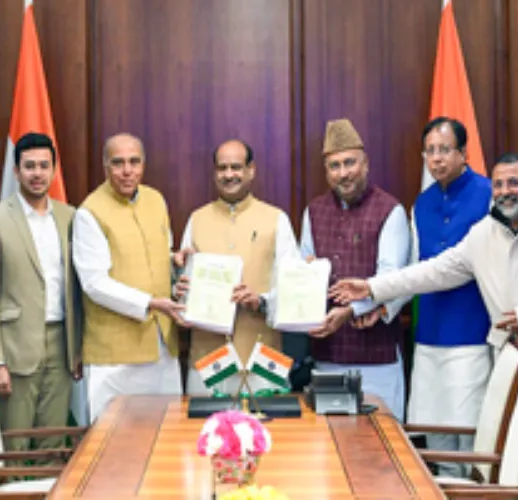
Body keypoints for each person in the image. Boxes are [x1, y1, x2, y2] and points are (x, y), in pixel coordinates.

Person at [330, 152, 518, 367]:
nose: (506, 191)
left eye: (514, 183)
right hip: (512, 362)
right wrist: (371, 288)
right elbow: (434, 271)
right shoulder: (483, 233)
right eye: (498, 184)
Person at [0, 132, 82, 454]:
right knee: (16, 445)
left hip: (62, 345)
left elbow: (77, 287)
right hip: (15, 349)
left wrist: (77, 348)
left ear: (54, 170)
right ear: (17, 171)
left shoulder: (70, 216)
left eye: (44, 166)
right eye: (30, 166)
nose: (37, 173)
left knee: (54, 442)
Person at [299, 119, 410, 421]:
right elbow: (304, 266)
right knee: (329, 451)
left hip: (377, 361)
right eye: (334, 166)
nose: (343, 173)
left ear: (366, 164)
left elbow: (392, 279)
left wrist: (351, 310)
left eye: (350, 163)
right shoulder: (314, 211)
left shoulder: (390, 210)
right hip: (327, 357)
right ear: (326, 172)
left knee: (382, 452)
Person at [72, 133, 187, 421]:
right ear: (105, 167)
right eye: (118, 163)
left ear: (144, 164)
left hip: (162, 346)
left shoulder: (156, 200)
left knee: (166, 439)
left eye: (134, 162)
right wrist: (150, 303)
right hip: (115, 356)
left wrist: (177, 267)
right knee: (113, 450)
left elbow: (159, 257)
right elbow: (94, 283)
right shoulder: (90, 212)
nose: (127, 171)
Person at [178, 140, 300, 394]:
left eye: (236, 167)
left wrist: (261, 301)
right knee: (205, 432)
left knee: (268, 432)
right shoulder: (197, 220)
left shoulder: (276, 219)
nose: (229, 175)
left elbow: (292, 289)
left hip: (263, 357)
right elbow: (185, 287)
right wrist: (181, 291)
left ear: (251, 170)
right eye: (222, 168)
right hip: (207, 358)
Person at [409, 117, 493, 477]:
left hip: (470, 332)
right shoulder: (422, 203)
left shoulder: (490, 194)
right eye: (430, 151)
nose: (437, 159)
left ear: (464, 153)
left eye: (445, 150)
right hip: (429, 334)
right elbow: (413, 266)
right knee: (436, 431)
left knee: (468, 431)